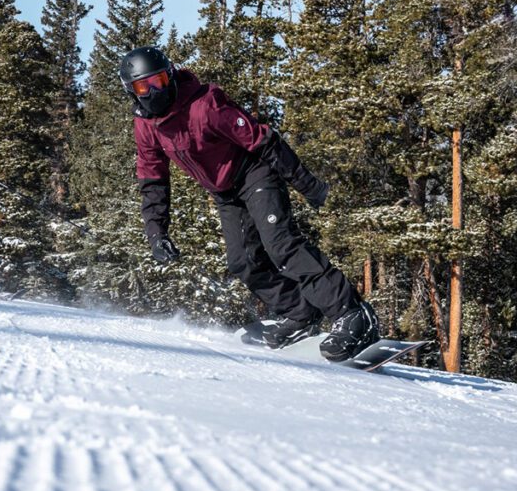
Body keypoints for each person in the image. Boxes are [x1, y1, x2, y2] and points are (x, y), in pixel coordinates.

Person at [120, 46, 379, 362]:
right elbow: (153, 180)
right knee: (243, 262)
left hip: (255, 173)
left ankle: (351, 313)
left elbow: (264, 139)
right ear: (132, 91)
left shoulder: (205, 105)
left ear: (171, 76)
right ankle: (299, 313)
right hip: (225, 193)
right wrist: (157, 233)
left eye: (159, 81)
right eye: (143, 87)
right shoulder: (146, 126)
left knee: (281, 245)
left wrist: (308, 186)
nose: (154, 92)